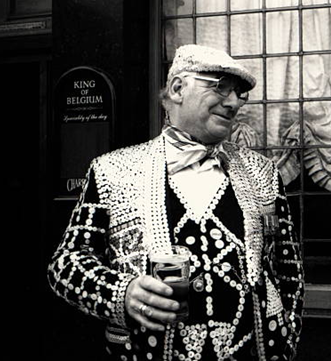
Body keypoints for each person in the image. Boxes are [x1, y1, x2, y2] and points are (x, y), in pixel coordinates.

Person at [47, 44, 305, 361]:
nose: (234, 102)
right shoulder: (112, 171)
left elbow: (289, 270)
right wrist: (121, 293)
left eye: (239, 93)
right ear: (178, 88)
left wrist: (286, 341)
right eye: (221, 87)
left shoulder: (262, 172)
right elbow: (66, 263)